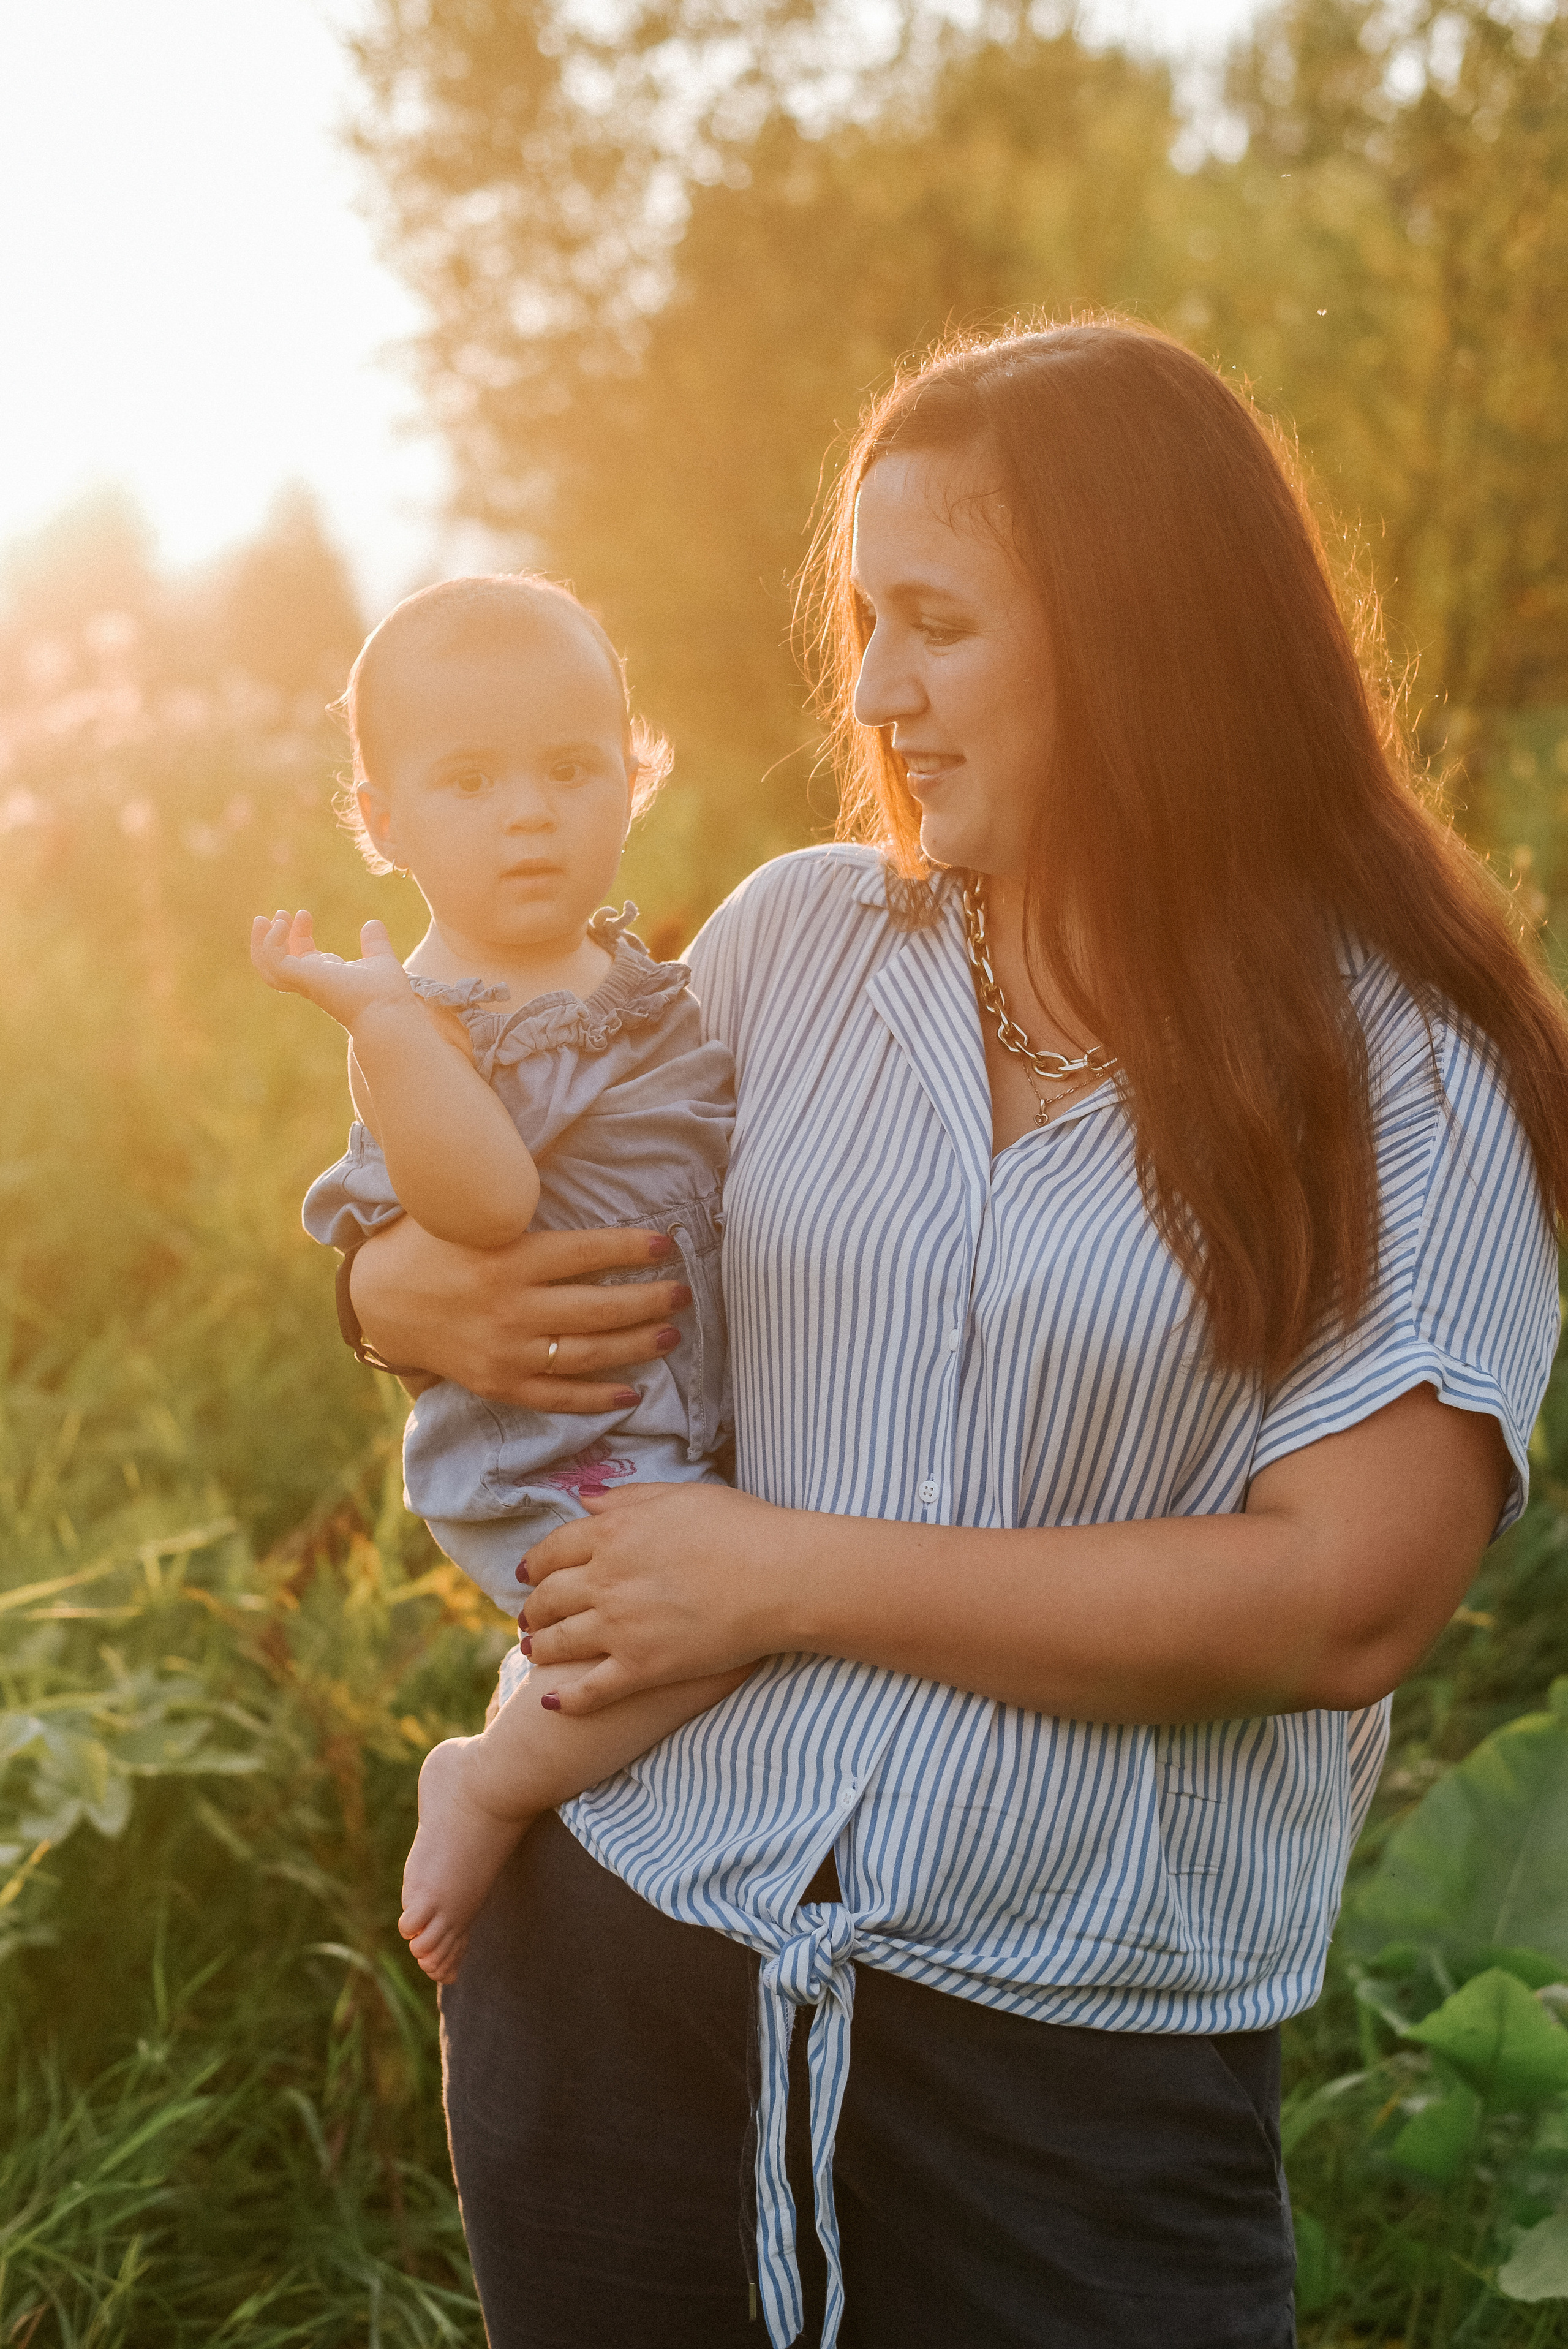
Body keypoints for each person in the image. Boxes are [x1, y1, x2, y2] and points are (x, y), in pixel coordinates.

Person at [348, 323, 1568, 2349]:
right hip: (635, 1942)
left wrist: (778, 1575)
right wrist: (379, 1286)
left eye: (937, 624)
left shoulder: (1406, 1076)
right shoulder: (790, 943)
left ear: (1141, 636)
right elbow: (534, 1208)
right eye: (864, 621)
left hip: (1071, 2076)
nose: (876, 690)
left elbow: (1346, 1600)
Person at [251, 573, 747, 1984]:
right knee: (694, 1628)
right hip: (552, 1439)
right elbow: (485, 1199)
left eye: (570, 768)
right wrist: (388, 1029)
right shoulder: (421, 1024)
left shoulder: (649, 982)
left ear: (633, 777)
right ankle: (487, 1778)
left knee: (721, 1596)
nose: (530, 811)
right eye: (469, 781)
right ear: (384, 822)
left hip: (670, 1413)